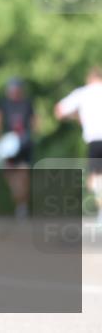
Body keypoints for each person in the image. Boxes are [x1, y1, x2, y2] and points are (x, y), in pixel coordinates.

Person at [54, 66, 102, 226]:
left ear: (89, 78)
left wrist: (77, 116)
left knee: (95, 178)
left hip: (95, 140)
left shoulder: (83, 93)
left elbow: (59, 111)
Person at [0, 77, 39, 218]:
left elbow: (34, 121)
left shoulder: (26, 103)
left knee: (22, 175)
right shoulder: (4, 104)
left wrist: (32, 136)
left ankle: (21, 204)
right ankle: (21, 203)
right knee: (12, 175)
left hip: (23, 144)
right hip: (10, 145)